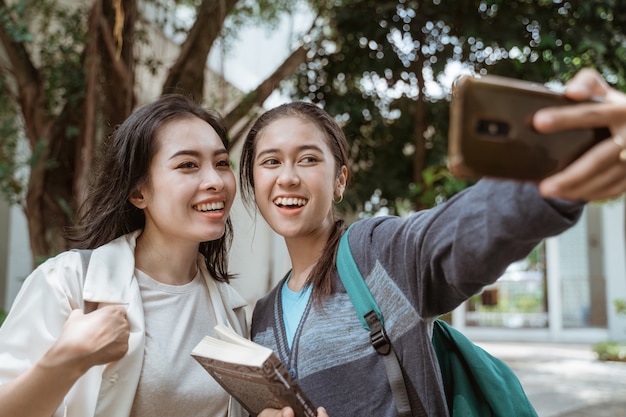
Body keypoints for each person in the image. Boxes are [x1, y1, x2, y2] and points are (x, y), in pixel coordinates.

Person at [241, 67, 626, 417]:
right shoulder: (260, 317)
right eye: (271, 162)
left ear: (340, 180)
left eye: (307, 159)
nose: (287, 177)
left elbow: (461, 231)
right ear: (254, 180)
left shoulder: (376, 254)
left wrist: (552, 176)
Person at [0, 94, 249, 417]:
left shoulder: (232, 311)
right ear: (138, 192)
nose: (215, 181)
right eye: (188, 165)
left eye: (221, 163)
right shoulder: (69, 282)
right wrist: (67, 359)